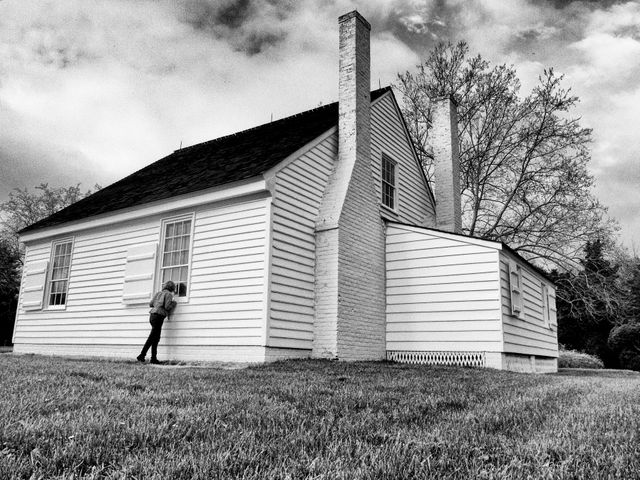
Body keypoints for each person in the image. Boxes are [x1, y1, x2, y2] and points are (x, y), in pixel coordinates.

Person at [137, 281, 177, 364]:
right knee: (152, 337)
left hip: (152, 316)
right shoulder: (169, 294)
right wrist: (173, 303)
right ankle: (141, 355)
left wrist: (158, 303)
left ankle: (153, 359)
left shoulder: (158, 293)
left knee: (156, 338)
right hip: (158, 316)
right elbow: (167, 306)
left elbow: (151, 304)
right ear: (172, 288)